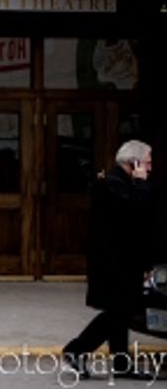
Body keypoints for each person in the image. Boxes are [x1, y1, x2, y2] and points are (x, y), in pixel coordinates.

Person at [63, 140, 155, 381]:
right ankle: (76, 349)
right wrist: (141, 183)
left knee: (121, 314)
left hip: (125, 262)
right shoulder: (113, 186)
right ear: (133, 162)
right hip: (114, 264)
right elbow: (136, 214)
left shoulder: (125, 184)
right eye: (147, 162)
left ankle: (121, 364)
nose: (150, 167)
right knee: (117, 313)